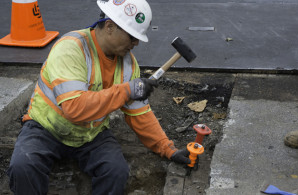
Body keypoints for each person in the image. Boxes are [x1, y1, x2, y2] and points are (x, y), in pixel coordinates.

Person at [7, 0, 191, 194]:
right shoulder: (71, 49)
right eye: (131, 36)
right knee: (23, 167)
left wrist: (168, 149)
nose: (135, 43)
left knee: (116, 171)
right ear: (110, 26)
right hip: (45, 128)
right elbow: (74, 108)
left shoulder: (128, 64)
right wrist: (127, 91)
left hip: (91, 135)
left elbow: (139, 113)